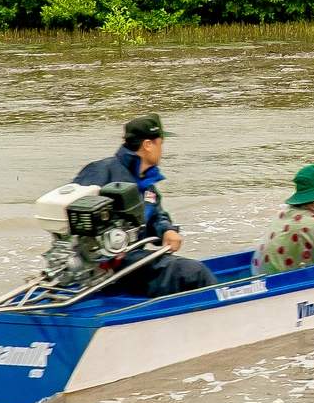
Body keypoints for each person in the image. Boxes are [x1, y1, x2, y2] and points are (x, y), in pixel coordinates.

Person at [70, 114, 217, 297]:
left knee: (184, 269)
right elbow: (75, 210)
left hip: (131, 260)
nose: (162, 150)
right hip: (106, 264)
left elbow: (156, 214)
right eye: (160, 143)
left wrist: (166, 230)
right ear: (148, 145)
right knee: (194, 273)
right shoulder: (101, 170)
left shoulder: (147, 184)